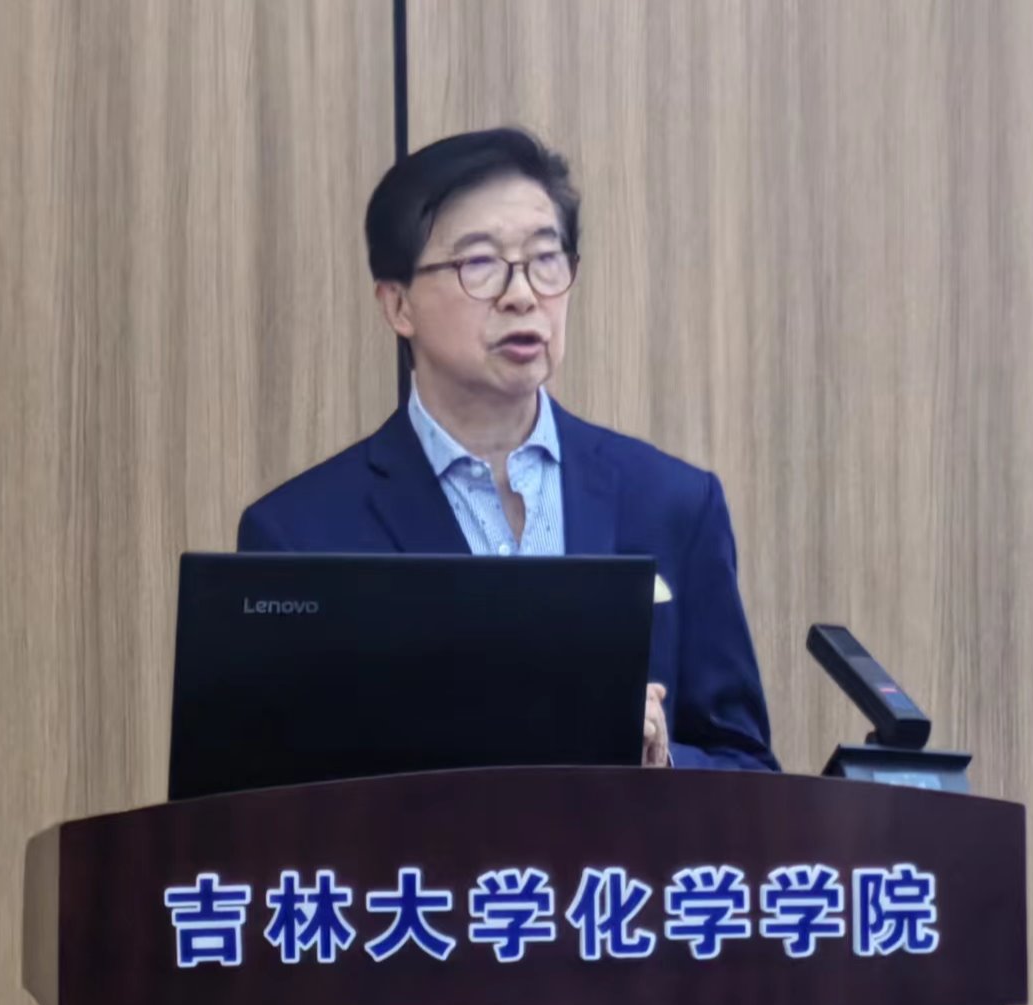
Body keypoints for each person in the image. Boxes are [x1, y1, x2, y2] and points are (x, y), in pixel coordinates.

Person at [238, 128, 777, 772]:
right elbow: (267, 800)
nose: (523, 295)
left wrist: (660, 763)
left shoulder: (673, 503)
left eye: (546, 259)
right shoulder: (299, 536)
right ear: (399, 305)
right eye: (480, 264)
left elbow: (748, 770)